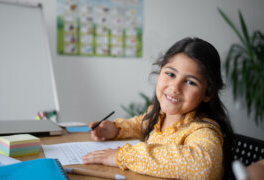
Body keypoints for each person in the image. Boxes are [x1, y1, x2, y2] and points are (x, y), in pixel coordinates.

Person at [82, 37, 234, 179]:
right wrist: (116, 129)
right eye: (170, 74)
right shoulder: (159, 114)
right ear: (160, 71)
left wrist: (124, 156)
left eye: (190, 82)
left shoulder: (203, 130)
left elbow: (203, 166)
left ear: (208, 93)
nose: (175, 87)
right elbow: (140, 124)